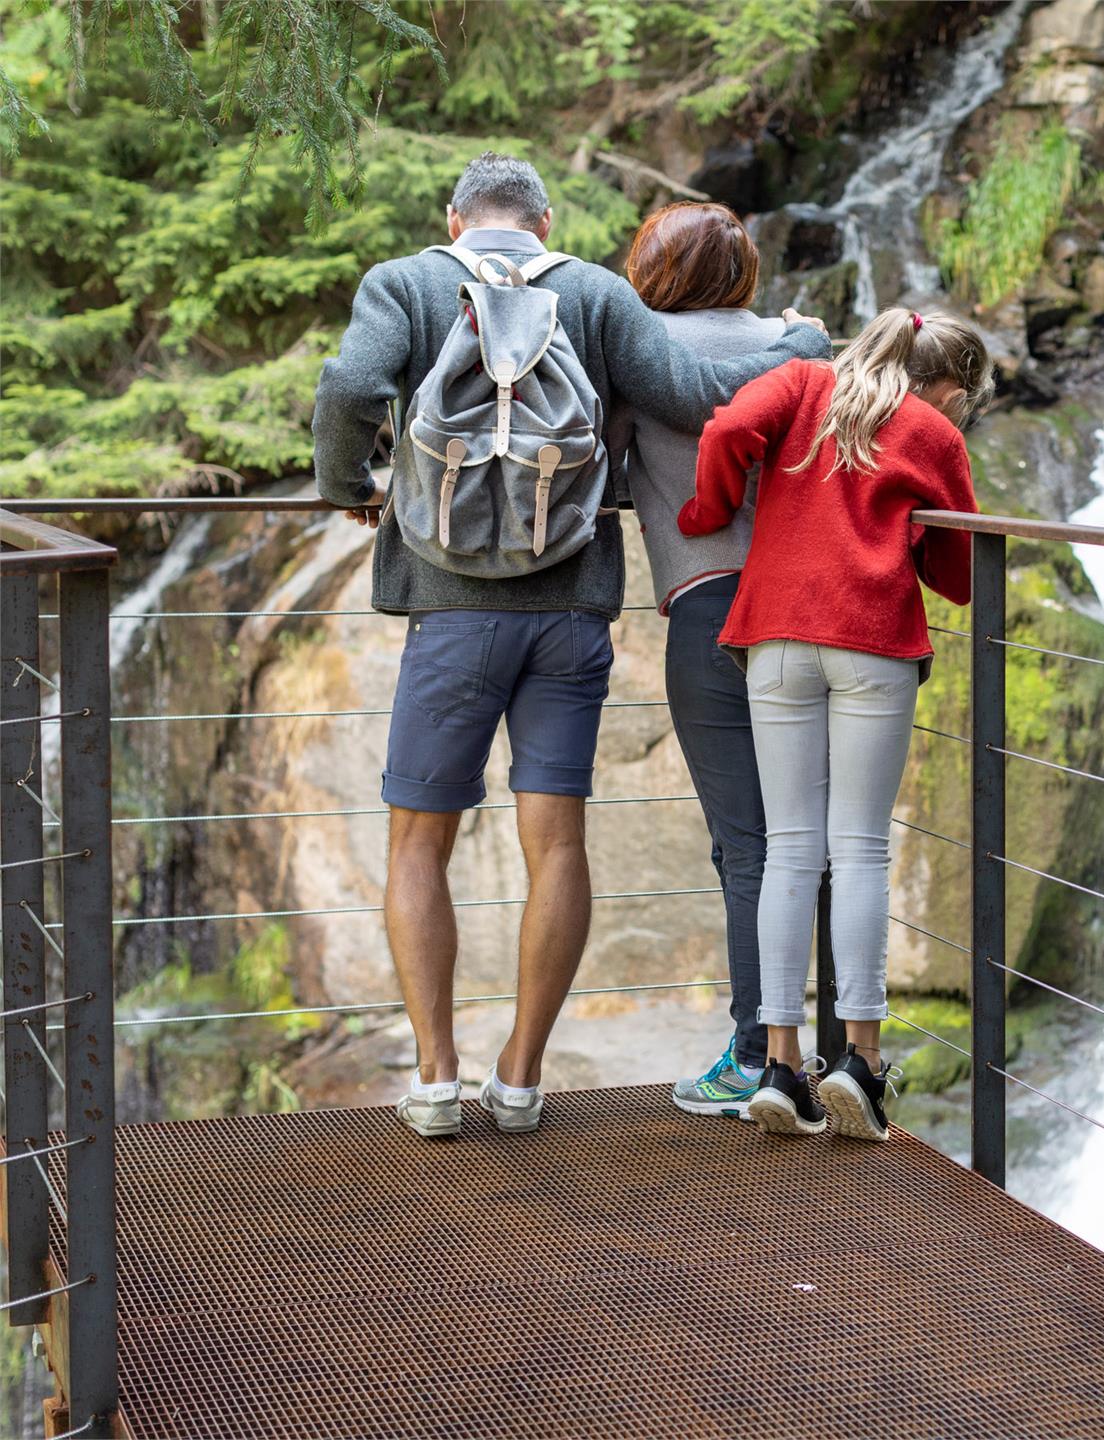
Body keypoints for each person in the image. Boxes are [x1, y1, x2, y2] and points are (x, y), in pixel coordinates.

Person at [312, 152, 831, 1140]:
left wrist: (349, 485)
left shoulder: (407, 283)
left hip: (451, 613)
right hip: (569, 615)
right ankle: (520, 1077)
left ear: (452, 216)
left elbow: (349, 389)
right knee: (556, 845)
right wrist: (800, 342)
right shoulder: (592, 293)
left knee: (418, 841)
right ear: (544, 223)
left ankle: (432, 1079)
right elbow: (698, 395)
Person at [680, 307, 991, 1143]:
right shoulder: (932, 431)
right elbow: (959, 576)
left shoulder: (801, 382)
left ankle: (780, 1068)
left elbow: (727, 428)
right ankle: (859, 1063)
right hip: (873, 640)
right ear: (948, 385)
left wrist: (708, 513)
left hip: (774, 633)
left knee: (788, 847)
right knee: (857, 848)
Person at [622, 202, 785, 1120]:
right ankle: (832, 1052)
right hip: (807, 611)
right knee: (817, 836)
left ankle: (759, 1055)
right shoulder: (801, 345)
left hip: (710, 610)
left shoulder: (633, 351)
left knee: (747, 843)